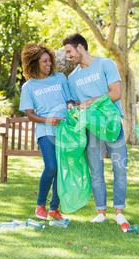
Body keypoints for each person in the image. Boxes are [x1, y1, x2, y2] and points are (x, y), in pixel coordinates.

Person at [62, 34, 128, 225]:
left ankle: (119, 211)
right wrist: (72, 106)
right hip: (91, 127)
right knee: (96, 170)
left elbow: (116, 93)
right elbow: (76, 103)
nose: (68, 56)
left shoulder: (106, 64)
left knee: (120, 168)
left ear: (80, 47)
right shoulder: (72, 77)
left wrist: (90, 101)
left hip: (112, 124)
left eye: (69, 51)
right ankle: (101, 211)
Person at [19, 42, 71, 220]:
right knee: (51, 167)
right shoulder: (29, 87)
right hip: (45, 130)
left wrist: (71, 107)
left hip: (64, 130)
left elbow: (69, 100)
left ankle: (54, 208)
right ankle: (40, 205)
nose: (48, 64)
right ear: (34, 63)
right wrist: (49, 120)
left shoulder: (60, 79)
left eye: (49, 61)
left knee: (61, 168)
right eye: (44, 62)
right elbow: (30, 114)